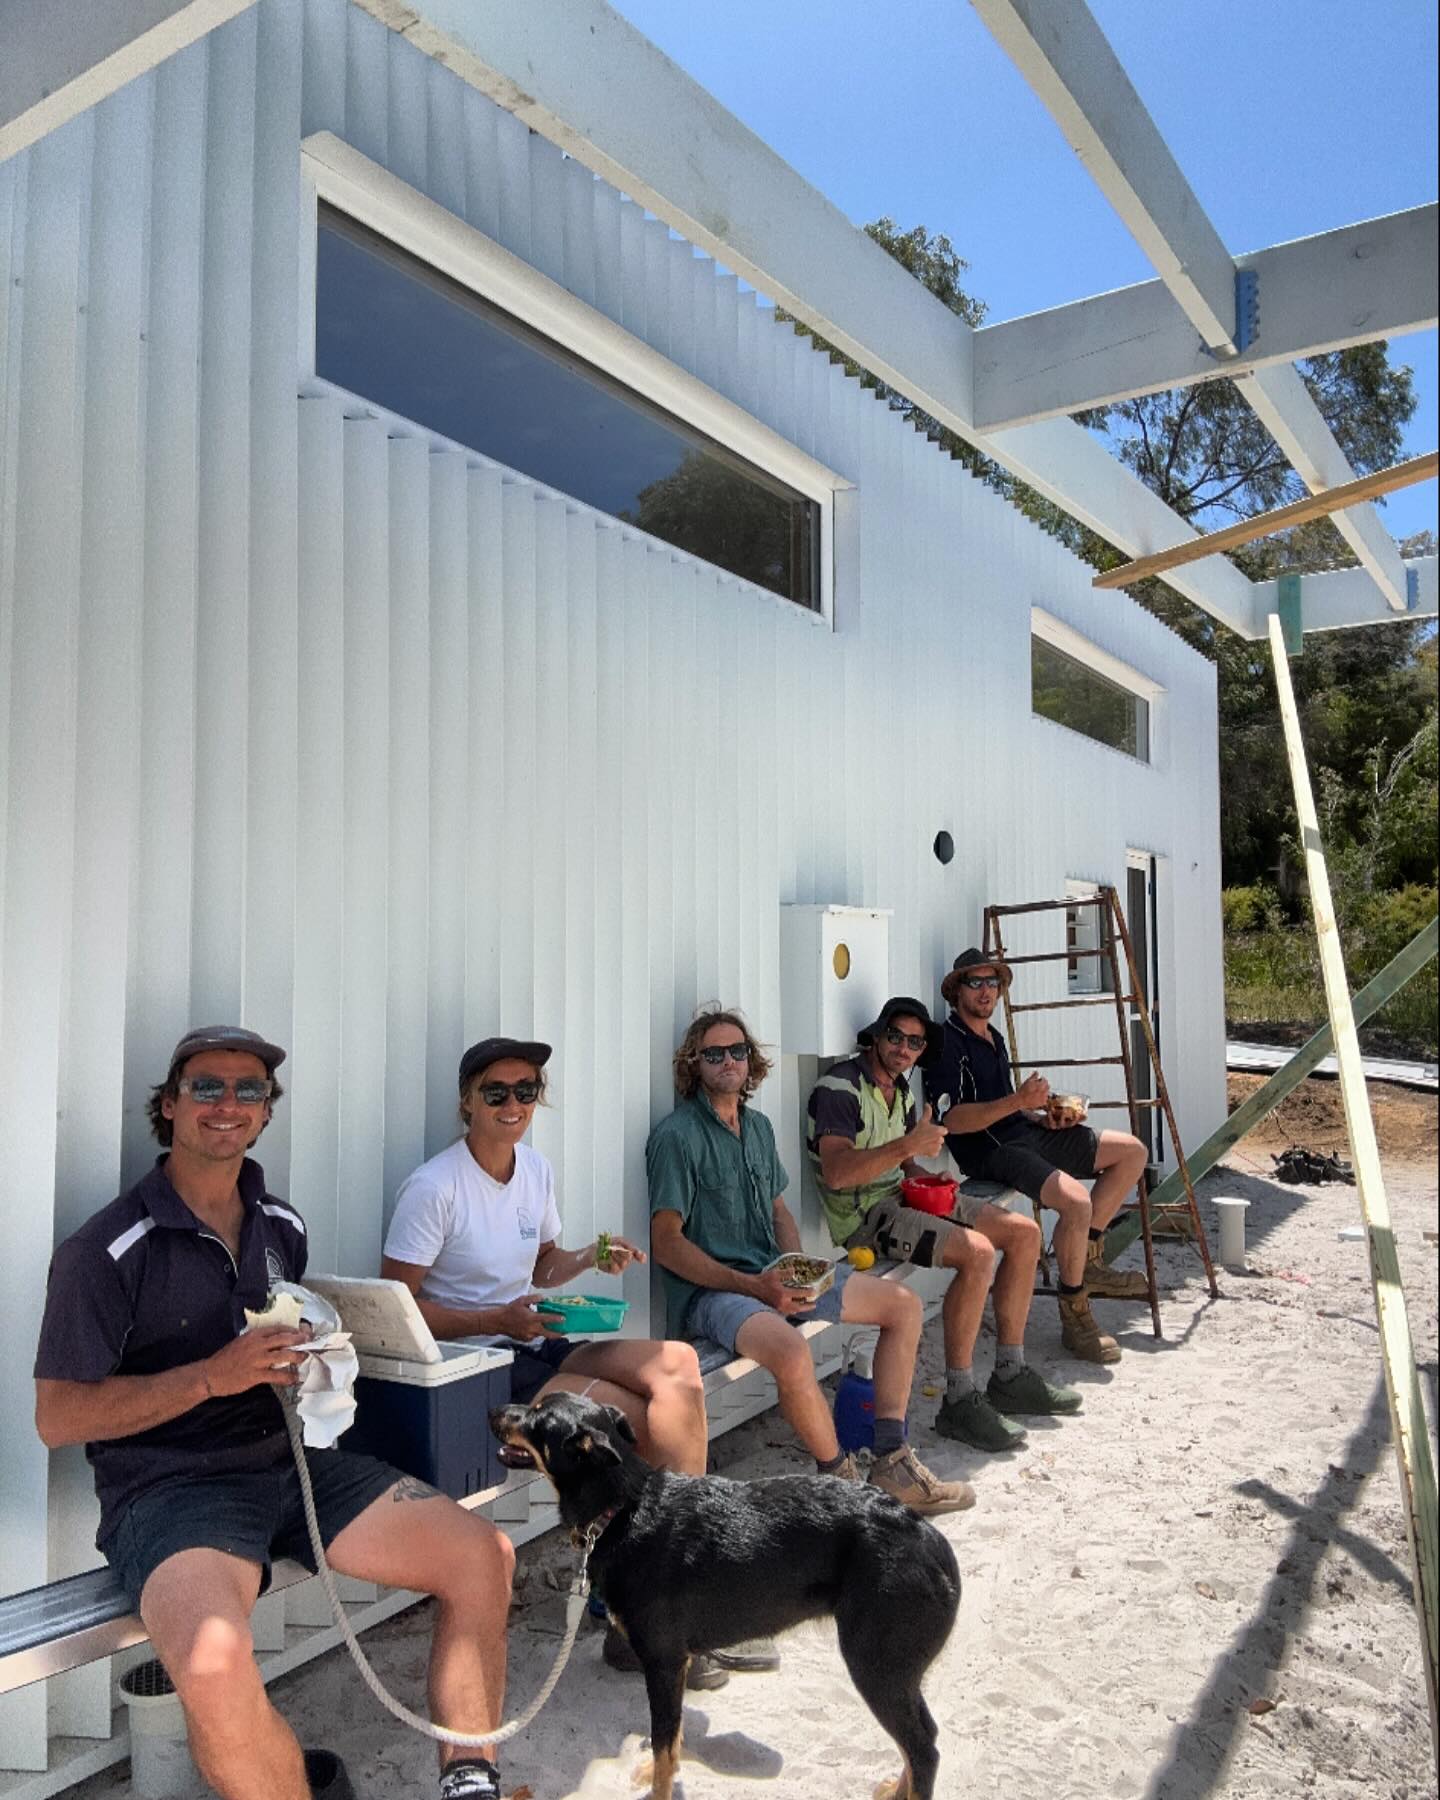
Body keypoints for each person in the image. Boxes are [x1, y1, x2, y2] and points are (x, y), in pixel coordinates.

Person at [34, 1026, 513, 1800]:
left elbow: (283, 1351)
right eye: (207, 1088)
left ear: (265, 1113)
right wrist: (209, 1378)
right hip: (170, 1493)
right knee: (216, 1666)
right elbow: (57, 1417)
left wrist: (318, 1364)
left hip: (286, 1465)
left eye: (249, 1090)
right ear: (170, 1105)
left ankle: (470, 1778)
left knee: (482, 1556)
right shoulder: (106, 1250)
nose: (228, 1104)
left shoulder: (279, 1225)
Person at [381, 1035, 722, 1687]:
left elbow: (543, 1265)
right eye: (497, 1092)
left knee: (678, 1367)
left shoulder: (533, 1171)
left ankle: (661, 1590)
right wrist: (495, 1320)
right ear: (467, 1102)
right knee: (637, 1423)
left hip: (536, 1340)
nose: (514, 1104)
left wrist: (594, 1256)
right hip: (481, 1368)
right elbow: (401, 1307)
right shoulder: (435, 1187)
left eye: (527, 1091)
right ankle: (641, 1611)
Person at [649, 1006, 973, 1523]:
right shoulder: (677, 1137)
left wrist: (798, 1269)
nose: (728, 1061)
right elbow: (666, 1244)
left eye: (738, 1051)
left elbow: (779, 1210)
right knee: (792, 1352)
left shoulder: (756, 1127)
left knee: (905, 1307)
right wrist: (755, 1286)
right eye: (714, 1054)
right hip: (717, 1293)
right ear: (695, 1064)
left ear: (751, 1061)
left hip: (772, 1273)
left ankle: (892, 1462)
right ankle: (841, 1485)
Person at [807, 996, 1080, 1453]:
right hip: (866, 1220)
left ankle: (1010, 1372)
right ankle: (960, 1398)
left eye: (915, 1043)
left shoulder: (903, 1090)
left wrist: (929, 1181)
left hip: (904, 1197)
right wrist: (906, 1152)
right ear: (875, 1036)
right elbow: (837, 1173)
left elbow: (906, 1164)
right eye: (895, 1037)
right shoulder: (838, 1087)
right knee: (976, 1253)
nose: (904, 1049)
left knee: (1025, 1233)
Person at [926, 948, 1151, 1366]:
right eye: (975, 983)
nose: (986, 991)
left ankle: (1089, 1255)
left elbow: (1004, 1104)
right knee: (1076, 1202)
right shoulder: (946, 1043)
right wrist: (1017, 1101)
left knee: (1132, 1153)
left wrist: (1039, 1113)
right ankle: (1075, 1312)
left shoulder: (991, 1038)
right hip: (991, 1151)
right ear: (956, 990)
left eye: (992, 982)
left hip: (1023, 1132)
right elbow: (953, 1121)